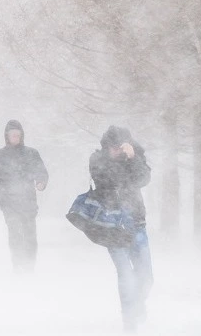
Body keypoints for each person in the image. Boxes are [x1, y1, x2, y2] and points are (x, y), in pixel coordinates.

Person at [89, 125, 153, 332]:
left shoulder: (135, 156)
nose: (118, 150)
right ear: (107, 146)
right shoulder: (97, 159)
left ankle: (138, 305)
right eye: (114, 147)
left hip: (136, 222)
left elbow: (143, 179)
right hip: (112, 226)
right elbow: (106, 181)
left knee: (146, 277)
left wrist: (133, 157)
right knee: (126, 275)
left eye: (121, 146)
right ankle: (129, 322)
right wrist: (119, 161)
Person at [0, 120, 49, 273]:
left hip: (28, 203)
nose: (15, 137)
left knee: (30, 236)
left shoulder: (31, 153)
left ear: (22, 136)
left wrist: (41, 182)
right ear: (7, 136)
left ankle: (29, 267)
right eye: (12, 135)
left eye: (17, 135)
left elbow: (42, 171)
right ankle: (18, 265)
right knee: (15, 234)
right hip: (9, 204)